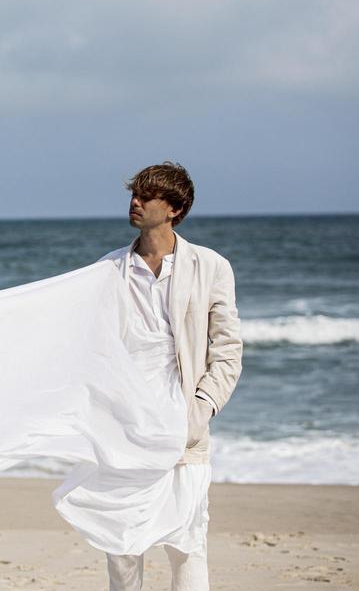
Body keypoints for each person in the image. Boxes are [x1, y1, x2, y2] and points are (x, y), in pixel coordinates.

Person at [97, 162, 242, 591]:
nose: (135, 202)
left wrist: (200, 411)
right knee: (122, 547)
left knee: (187, 544)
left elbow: (228, 350)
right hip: (126, 427)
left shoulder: (211, 267)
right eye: (134, 194)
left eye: (147, 196)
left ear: (174, 208)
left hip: (183, 428)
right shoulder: (109, 270)